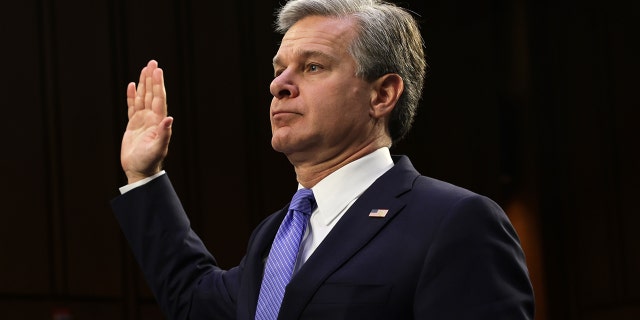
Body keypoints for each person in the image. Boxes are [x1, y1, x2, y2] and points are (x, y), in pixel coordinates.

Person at [111, 0, 535, 319]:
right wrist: (144, 176)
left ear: (382, 95)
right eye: (279, 69)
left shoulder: (456, 222)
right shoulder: (275, 236)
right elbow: (195, 304)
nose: (280, 85)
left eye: (313, 67)